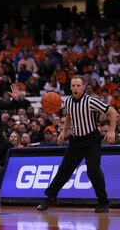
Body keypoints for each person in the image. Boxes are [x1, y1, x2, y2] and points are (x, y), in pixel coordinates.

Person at [37, 75, 117, 213]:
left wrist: (111, 131)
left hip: (92, 140)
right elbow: (68, 117)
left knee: (93, 170)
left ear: (83, 87)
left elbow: (113, 111)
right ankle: (51, 197)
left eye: (78, 85)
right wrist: (63, 131)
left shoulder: (91, 101)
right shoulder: (67, 101)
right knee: (64, 170)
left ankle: (103, 202)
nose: (75, 88)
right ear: (70, 87)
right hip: (76, 141)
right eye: (73, 85)